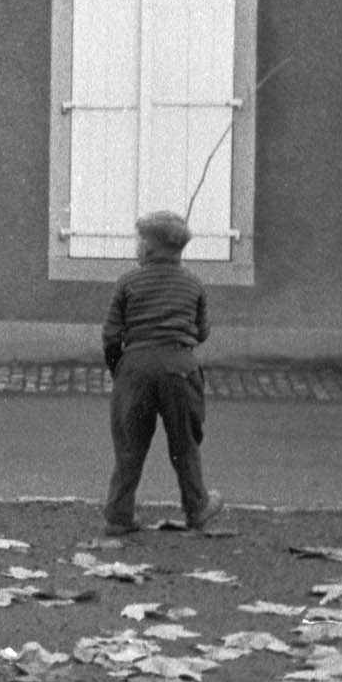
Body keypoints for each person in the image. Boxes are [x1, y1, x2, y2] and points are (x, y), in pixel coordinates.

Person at [100, 211, 224, 536]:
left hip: (135, 367)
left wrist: (121, 369)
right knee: (184, 444)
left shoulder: (127, 282)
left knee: (129, 445)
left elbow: (111, 335)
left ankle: (119, 515)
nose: (136, 247)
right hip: (179, 367)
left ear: (149, 247)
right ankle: (197, 508)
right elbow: (202, 332)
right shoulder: (194, 283)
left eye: (139, 241)